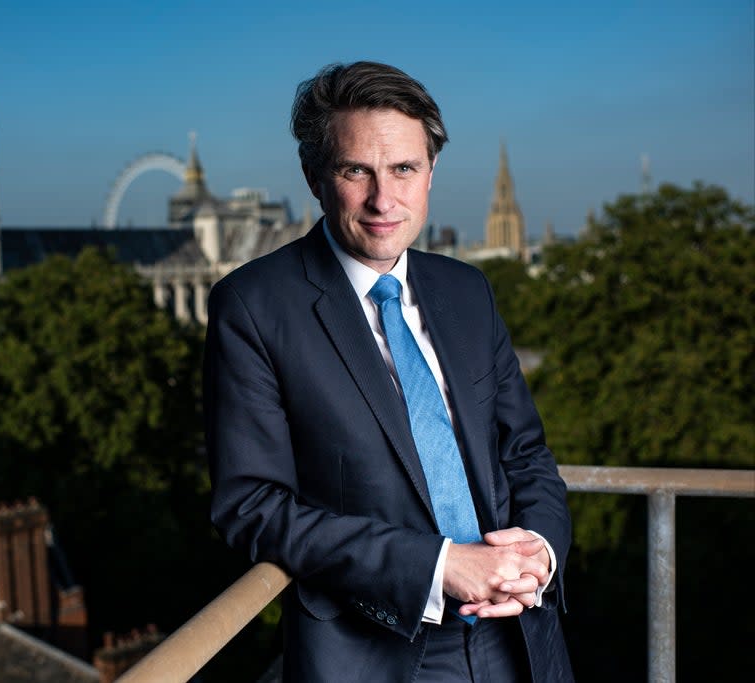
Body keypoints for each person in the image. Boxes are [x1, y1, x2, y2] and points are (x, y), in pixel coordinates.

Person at [203, 61, 573, 682]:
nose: (384, 199)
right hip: (373, 652)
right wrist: (438, 566)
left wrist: (539, 549)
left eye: (404, 168)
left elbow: (526, 452)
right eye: (356, 170)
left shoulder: (467, 290)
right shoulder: (253, 306)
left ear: (430, 173)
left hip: (521, 636)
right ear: (315, 177)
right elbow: (252, 507)